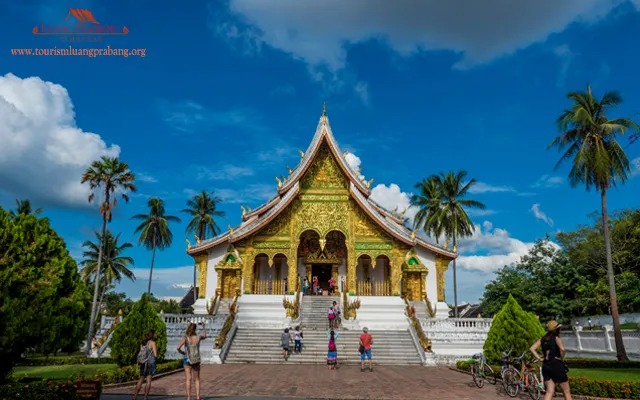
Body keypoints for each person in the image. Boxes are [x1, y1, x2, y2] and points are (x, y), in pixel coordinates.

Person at [530, 320, 572, 400]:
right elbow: (562, 349)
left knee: (549, 391)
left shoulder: (542, 339)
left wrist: (539, 358)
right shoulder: (556, 338)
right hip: (556, 365)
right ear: (557, 329)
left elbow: (532, 348)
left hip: (546, 366)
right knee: (566, 392)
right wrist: (561, 358)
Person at [177, 322, 207, 400]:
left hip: (187, 358)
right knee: (196, 379)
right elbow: (205, 336)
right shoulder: (198, 337)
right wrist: (204, 327)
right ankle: (197, 397)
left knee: (188, 379)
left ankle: (188, 398)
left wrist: (183, 352)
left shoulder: (186, 338)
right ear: (195, 329)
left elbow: (178, 347)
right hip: (196, 359)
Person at [132, 330, 158, 400]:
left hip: (143, 363)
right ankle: (145, 397)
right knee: (148, 380)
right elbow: (155, 355)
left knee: (141, 379)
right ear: (153, 335)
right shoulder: (153, 343)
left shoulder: (143, 343)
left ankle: (134, 396)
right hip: (150, 363)